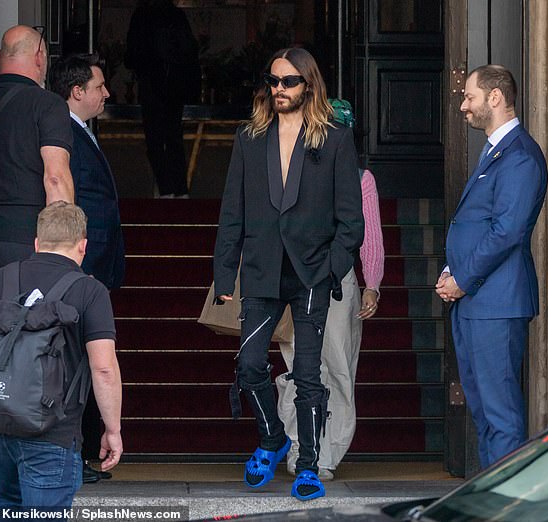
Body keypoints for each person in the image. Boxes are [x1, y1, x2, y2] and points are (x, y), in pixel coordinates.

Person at [213, 48, 364, 501]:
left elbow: (351, 220)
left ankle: (310, 464)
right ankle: (273, 437)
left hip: (313, 273)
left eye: (289, 82)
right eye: (273, 81)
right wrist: (224, 275)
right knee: (250, 363)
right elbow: (232, 210)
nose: (278, 89)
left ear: (309, 85)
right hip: (261, 271)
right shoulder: (249, 137)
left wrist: (333, 268)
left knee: (308, 373)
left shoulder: (334, 138)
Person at [0, 201, 123, 513]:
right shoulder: (91, 292)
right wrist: (112, 429)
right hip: (52, 433)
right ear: (83, 246)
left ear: (36, 242)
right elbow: (103, 368)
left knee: (4, 504)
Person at [436, 65, 548, 468]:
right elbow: (480, 225)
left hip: (495, 303)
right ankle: (487, 501)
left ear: (496, 97)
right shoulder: (496, 149)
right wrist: (453, 273)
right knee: (483, 412)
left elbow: (507, 231)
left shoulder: (519, 155)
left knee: (500, 414)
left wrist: (462, 279)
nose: (464, 106)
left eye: (470, 97)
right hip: (476, 301)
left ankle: (504, 508)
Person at [277, 168, 384, 480]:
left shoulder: (360, 176)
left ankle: (328, 453)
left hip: (338, 280)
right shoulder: (285, 163)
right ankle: (299, 446)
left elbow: (370, 235)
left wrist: (372, 285)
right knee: (297, 365)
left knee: (337, 365)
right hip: (294, 278)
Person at [49, 53, 125, 483]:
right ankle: (71, 458)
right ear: (77, 92)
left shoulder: (80, 133)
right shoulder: (65, 136)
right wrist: (83, 268)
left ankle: (77, 456)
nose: (106, 93)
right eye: (99, 86)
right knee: (76, 363)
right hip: (83, 268)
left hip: (94, 267)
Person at [0, 25, 74, 306]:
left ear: (0, 56)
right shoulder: (49, 106)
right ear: (39, 57)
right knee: (28, 332)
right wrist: (63, 247)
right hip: (26, 239)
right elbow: (56, 178)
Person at [125, 0, 200, 198]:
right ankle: (180, 189)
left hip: (151, 84)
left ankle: (166, 188)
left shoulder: (141, 15)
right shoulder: (176, 15)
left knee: (155, 140)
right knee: (174, 137)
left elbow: (131, 55)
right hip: (174, 85)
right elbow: (189, 49)